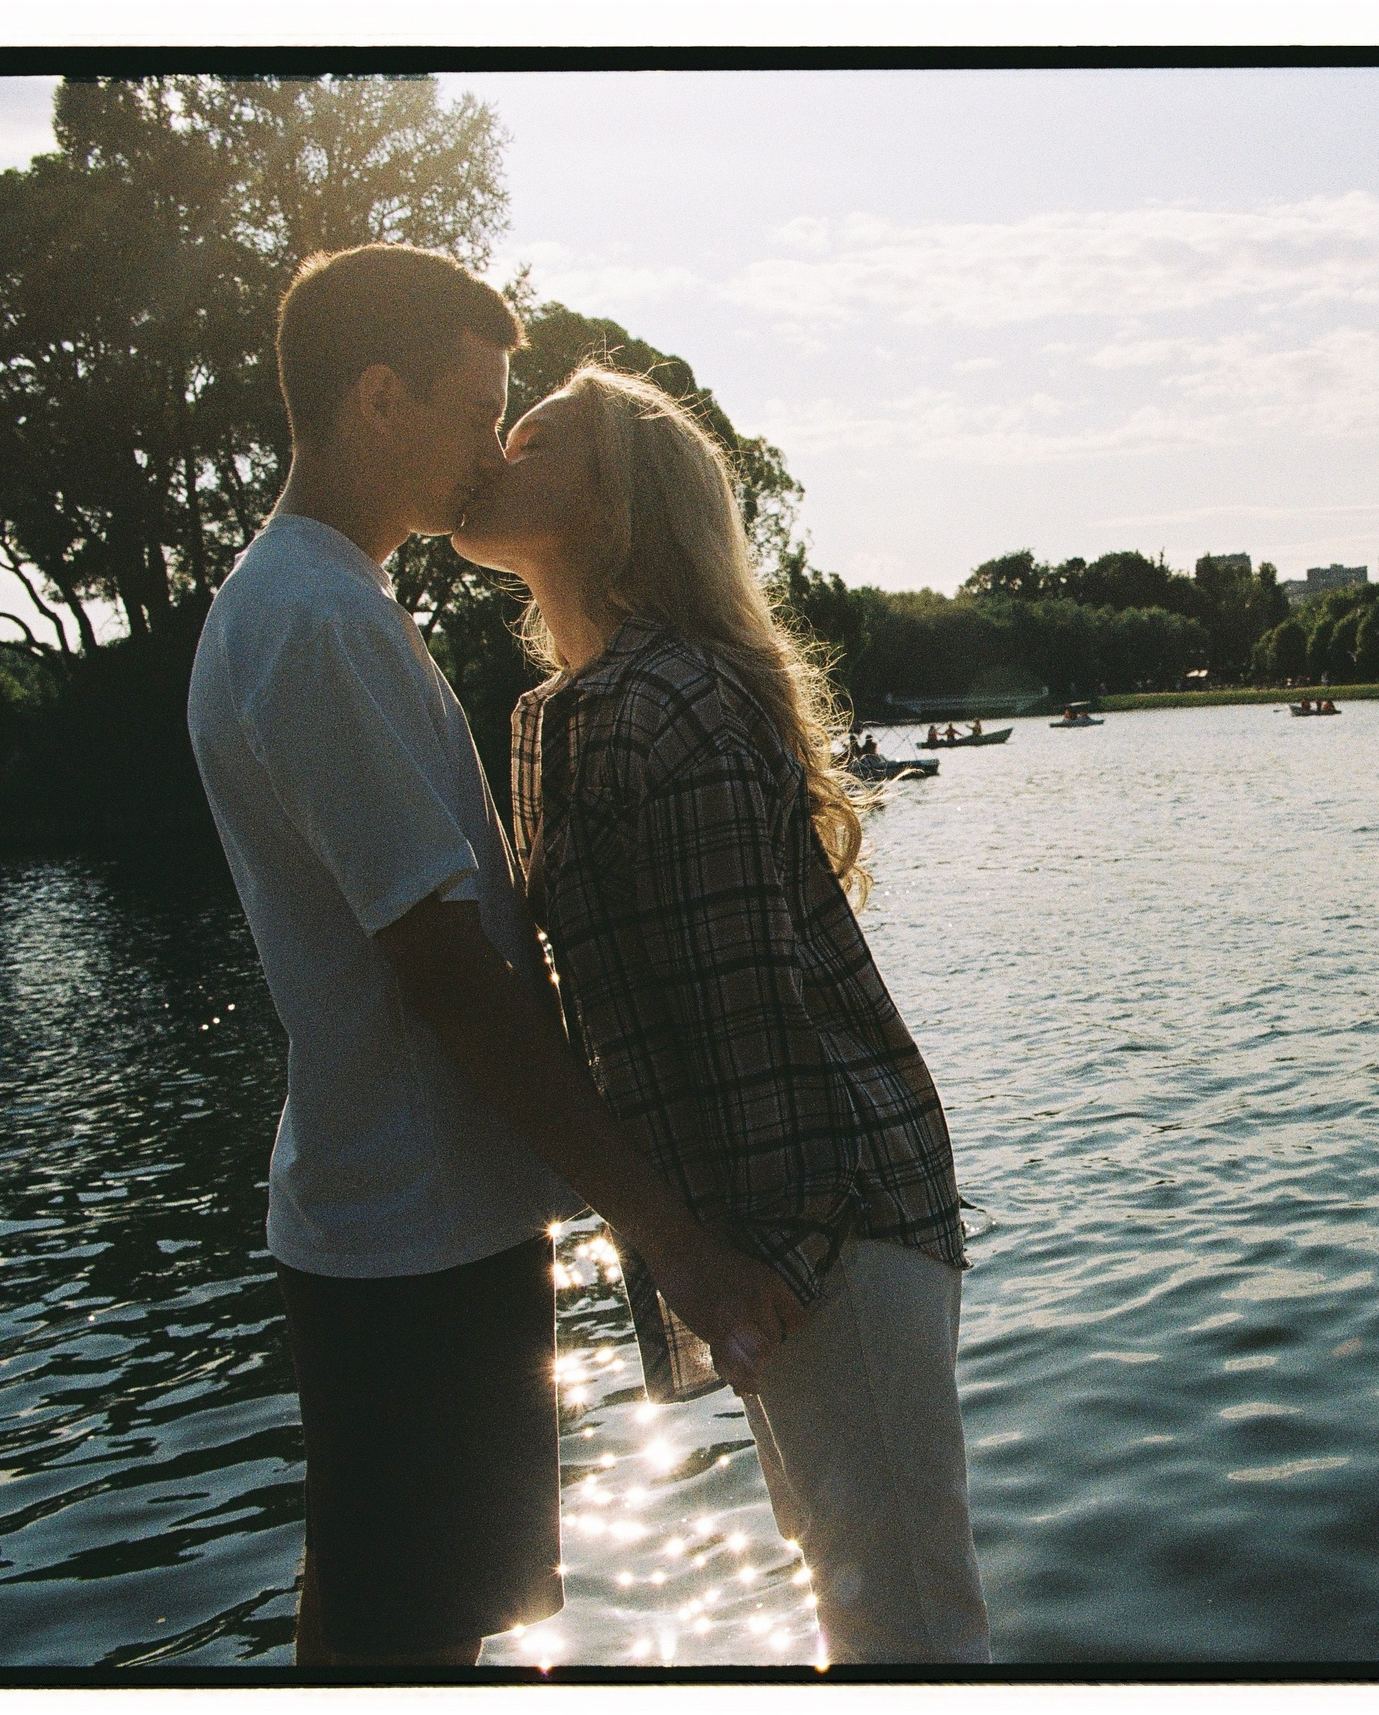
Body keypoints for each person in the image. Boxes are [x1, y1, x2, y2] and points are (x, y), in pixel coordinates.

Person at [185, 247, 802, 1670]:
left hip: (405, 1217)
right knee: (414, 1635)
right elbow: (446, 972)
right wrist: (676, 1239)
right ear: (380, 398)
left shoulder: (312, 601)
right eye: (475, 407)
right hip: (413, 1236)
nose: (490, 447)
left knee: (388, 1599)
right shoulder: (319, 622)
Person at [453, 364, 993, 1664]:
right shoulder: (568, 714)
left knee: (903, 1626)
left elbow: (753, 1030)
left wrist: (748, 1279)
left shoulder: (660, 705)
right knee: (862, 1604)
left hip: (825, 1226)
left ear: (612, 506)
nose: (495, 446)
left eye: (535, 438)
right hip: (784, 1233)